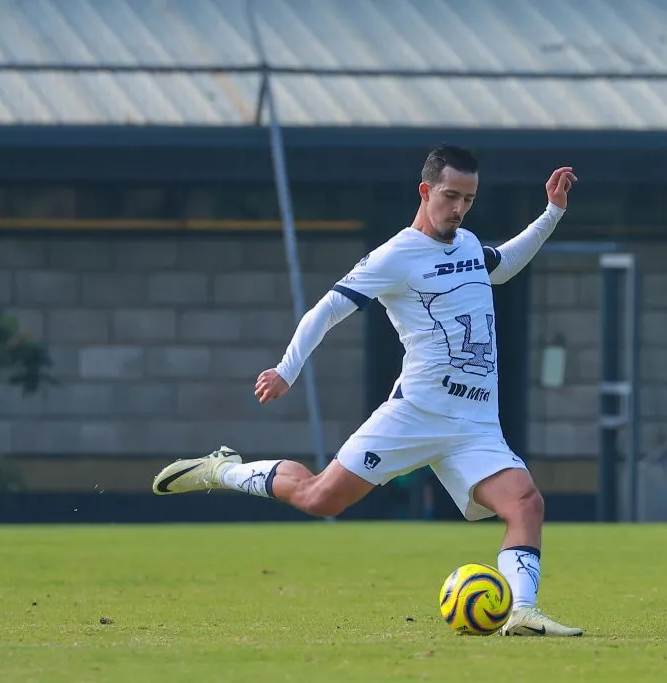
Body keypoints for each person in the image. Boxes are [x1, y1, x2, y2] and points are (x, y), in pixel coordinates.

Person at [152, 144, 582, 637]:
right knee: (320, 499)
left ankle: (522, 612)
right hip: (415, 413)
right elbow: (326, 310)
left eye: (469, 198)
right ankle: (222, 469)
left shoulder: (467, 246)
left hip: (474, 424)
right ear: (425, 191)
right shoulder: (395, 255)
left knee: (526, 503)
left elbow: (502, 265)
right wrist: (285, 370)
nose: (460, 208)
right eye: (450, 196)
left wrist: (551, 213)